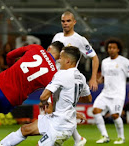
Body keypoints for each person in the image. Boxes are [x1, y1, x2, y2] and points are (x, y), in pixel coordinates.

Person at [0, 41, 64, 146]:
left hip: (1, 85)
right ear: (58, 57)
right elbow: (52, 94)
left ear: (49, 48)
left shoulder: (36, 48)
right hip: (14, 99)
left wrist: (11, 69)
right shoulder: (53, 73)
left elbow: (9, 55)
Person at [0, 46, 92, 146]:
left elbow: (43, 97)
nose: (59, 61)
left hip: (60, 127)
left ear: (68, 61)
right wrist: (71, 107)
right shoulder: (81, 77)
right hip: (56, 120)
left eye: (61, 58)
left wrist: (44, 103)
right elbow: (88, 98)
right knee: (25, 129)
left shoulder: (61, 75)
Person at [52, 11, 99, 146]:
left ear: (74, 22)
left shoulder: (80, 40)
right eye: (63, 21)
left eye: (68, 21)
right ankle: (77, 138)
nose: (65, 23)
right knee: (57, 108)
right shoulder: (57, 36)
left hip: (68, 79)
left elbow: (94, 58)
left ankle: (57, 137)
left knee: (58, 108)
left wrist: (93, 78)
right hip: (55, 77)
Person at [93, 38, 129, 144]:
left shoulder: (124, 61)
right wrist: (97, 81)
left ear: (118, 49)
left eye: (113, 48)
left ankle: (121, 137)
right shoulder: (104, 62)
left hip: (118, 94)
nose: (111, 50)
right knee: (95, 111)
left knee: (115, 115)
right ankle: (105, 136)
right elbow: (103, 76)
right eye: (109, 47)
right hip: (105, 92)